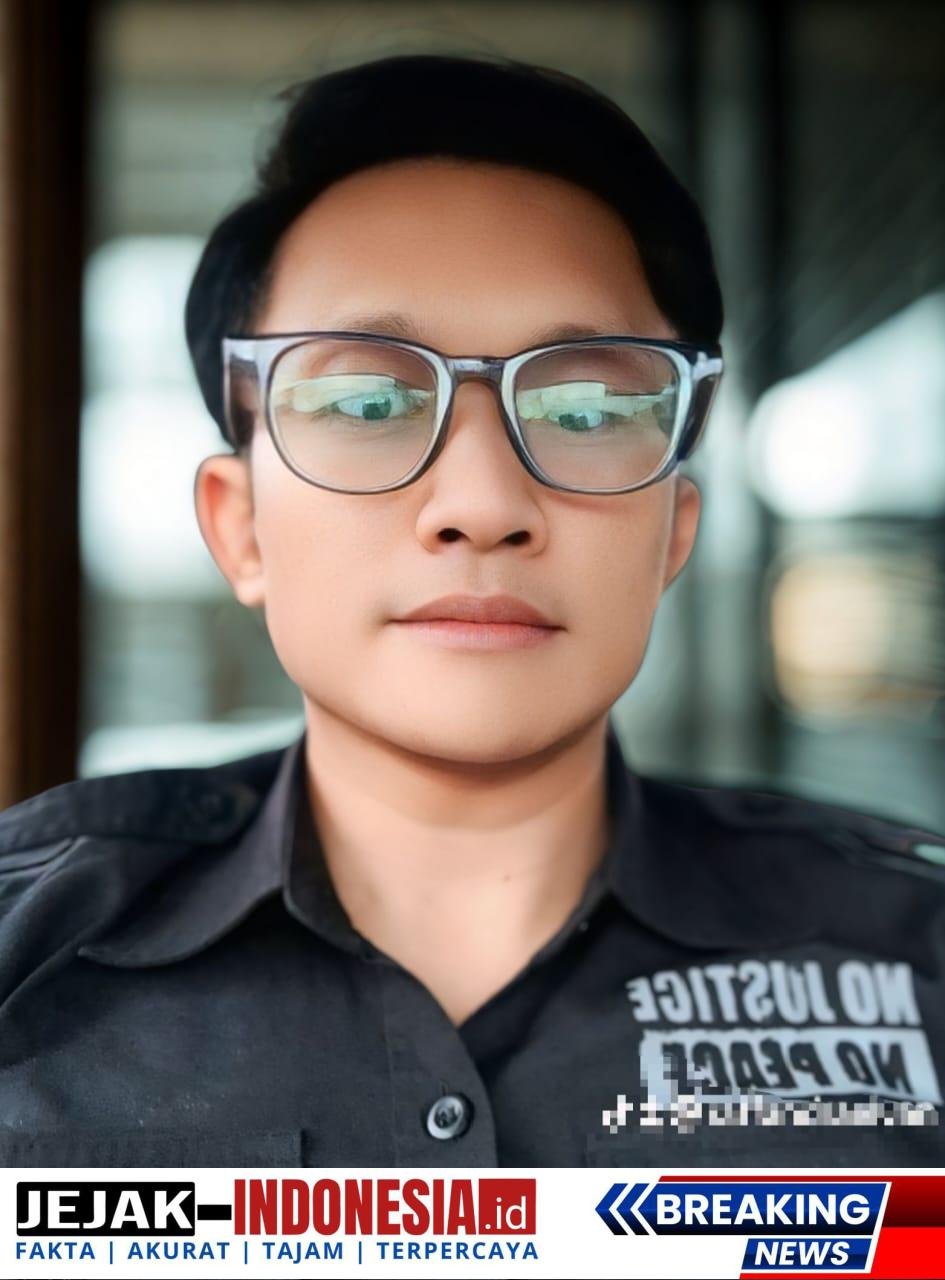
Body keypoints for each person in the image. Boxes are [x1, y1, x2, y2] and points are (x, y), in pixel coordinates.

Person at [1, 51, 943, 1170]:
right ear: (240, 526)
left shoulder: (914, 963)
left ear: (673, 533)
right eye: (366, 402)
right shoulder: (28, 960)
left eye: (586, 409)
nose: (484, 506)